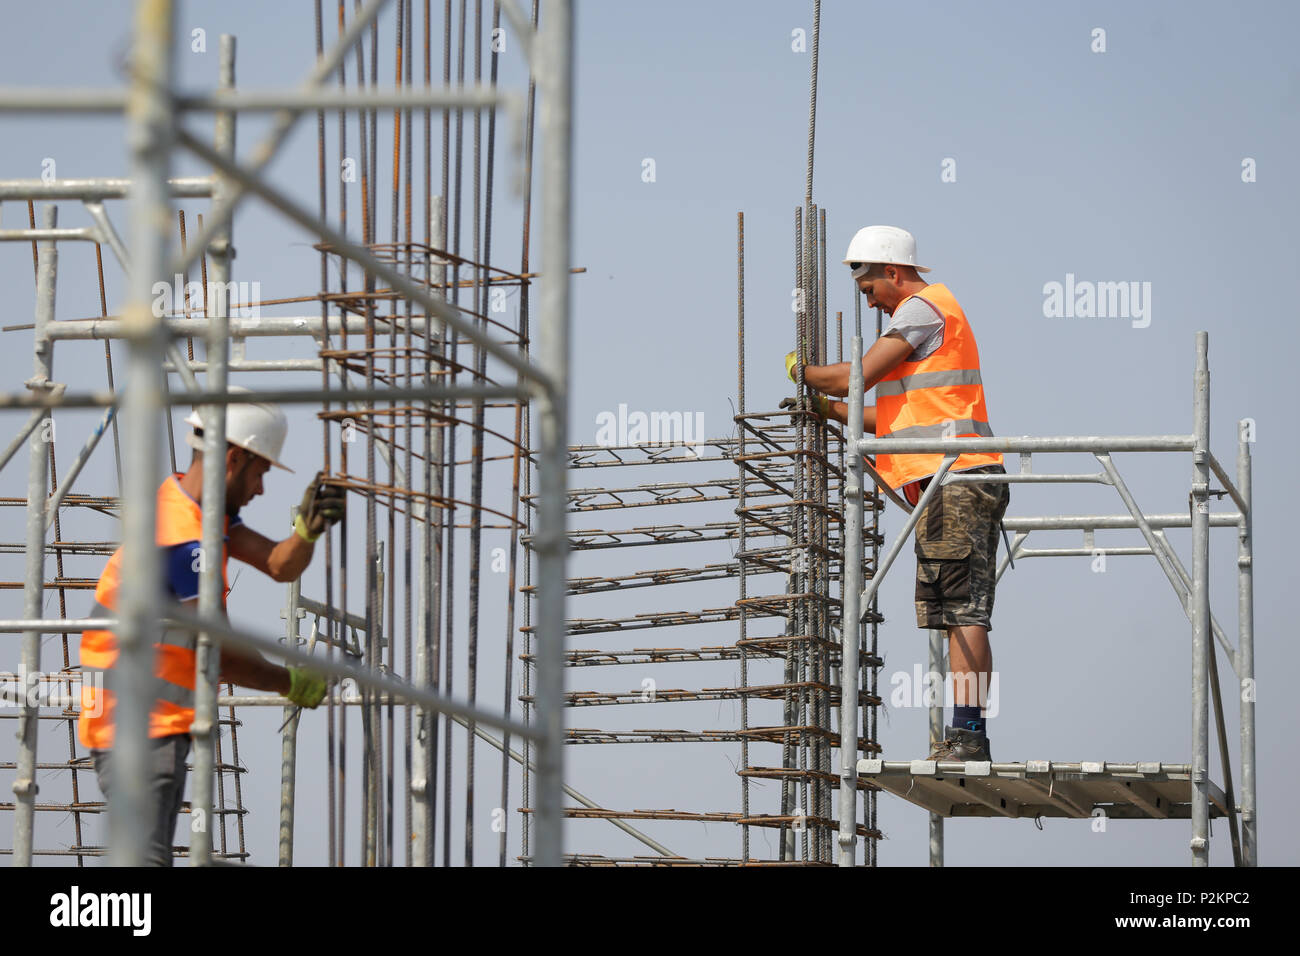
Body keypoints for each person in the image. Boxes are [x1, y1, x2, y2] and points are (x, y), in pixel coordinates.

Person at [78, 388, 345, 865]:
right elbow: (217, 652)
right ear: (236, 458)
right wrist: (290, 681)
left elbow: (279, 565)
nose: (262, 489)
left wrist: (306, 532)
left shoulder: (196, 510)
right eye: (261, 472)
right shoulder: (181, 536)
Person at [785, 225, 1009, 762]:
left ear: (892, 270)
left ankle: (968, 737)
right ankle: (963, 733)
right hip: (945, 483)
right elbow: (888, 418)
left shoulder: (922, 308)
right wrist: (831, 411)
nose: (870, 304)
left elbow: (856, 377)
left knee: (964, 612)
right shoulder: (923, 326)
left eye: (869, 289)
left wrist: (805, 372)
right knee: (952, 613)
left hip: (960, 478)